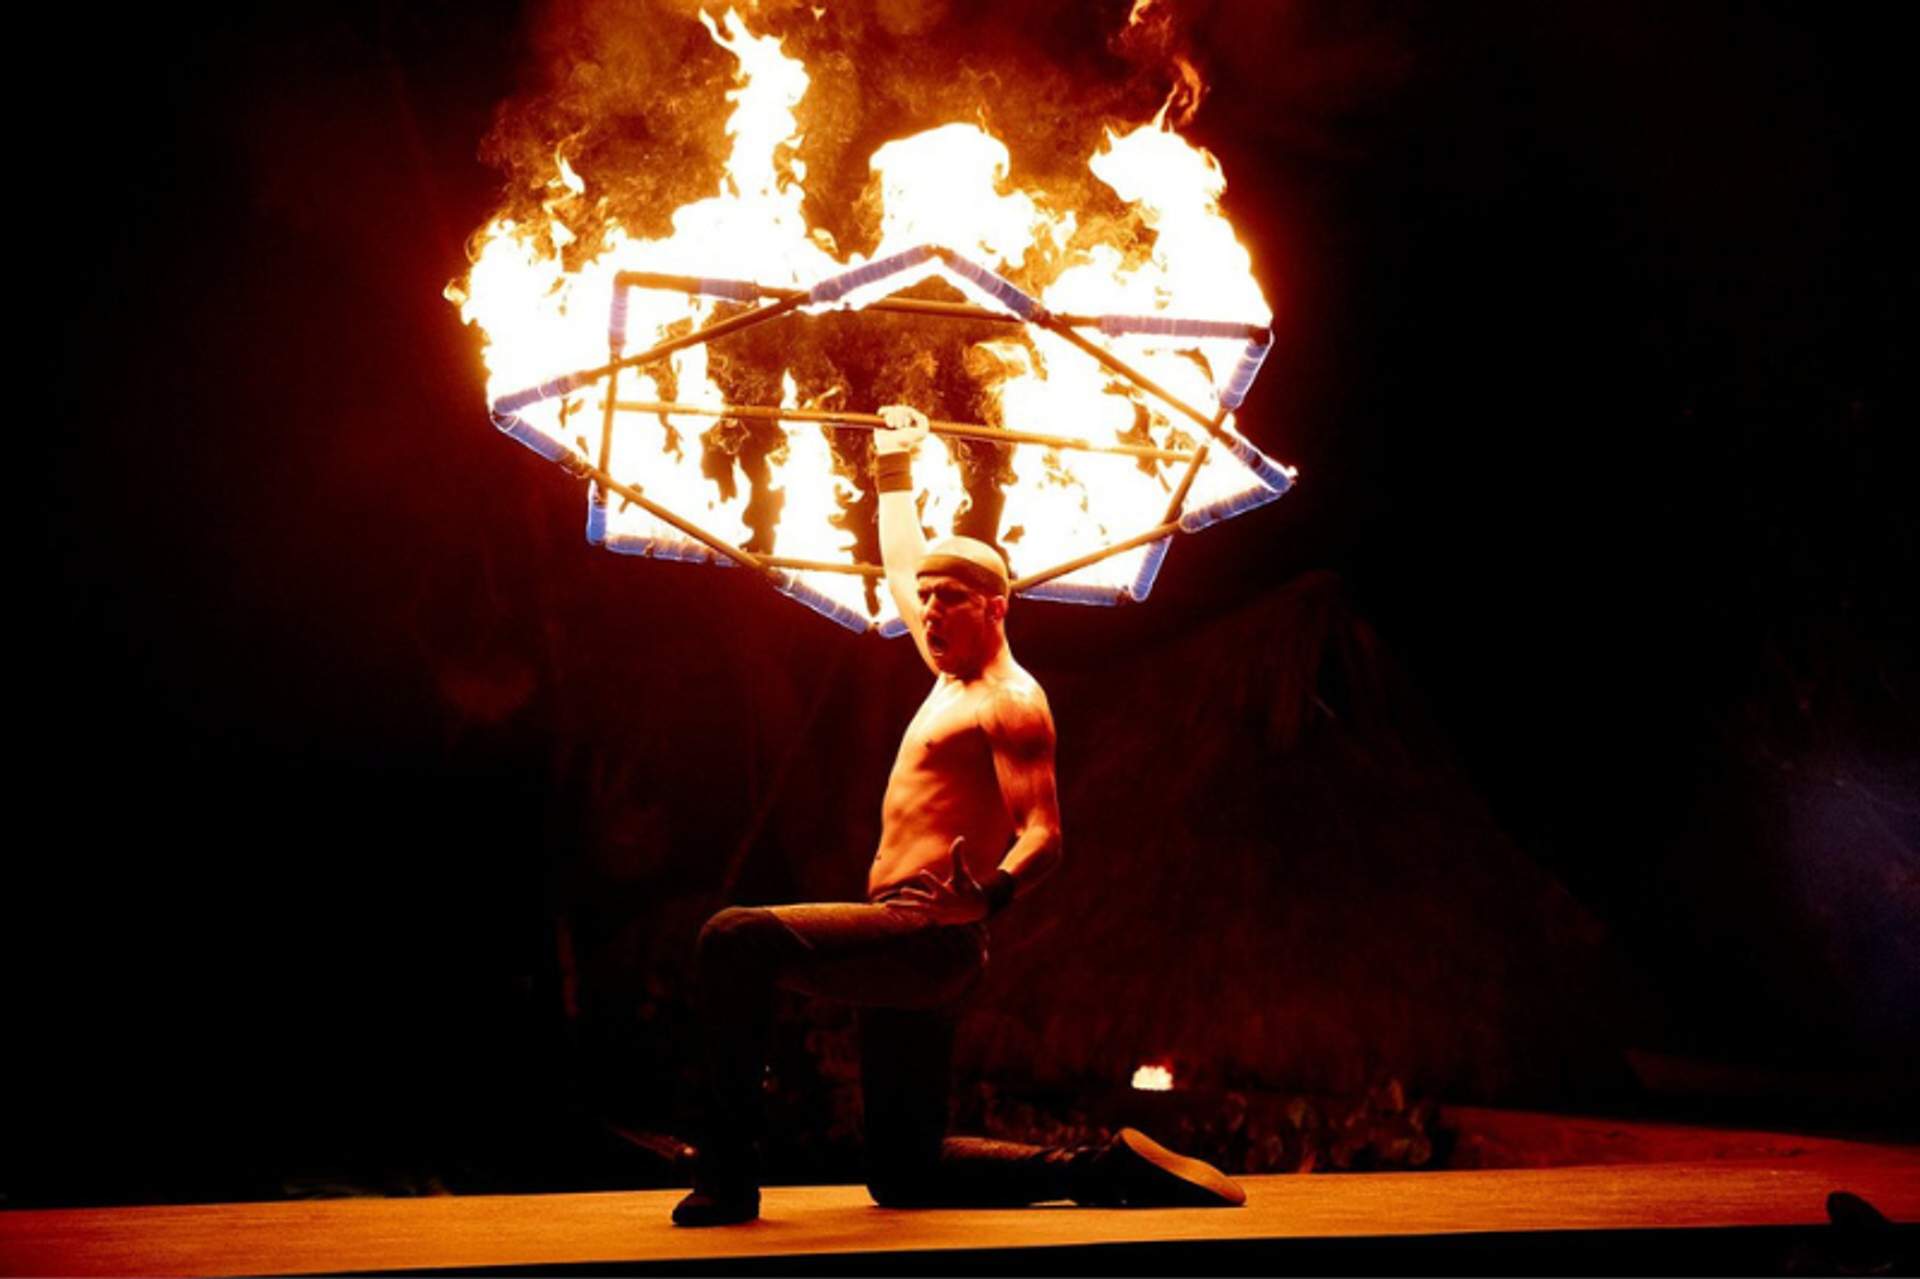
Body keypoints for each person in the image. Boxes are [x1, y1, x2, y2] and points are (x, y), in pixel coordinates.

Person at [672, 404, 1245, 1226]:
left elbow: (1045, 831)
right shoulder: (946, 676)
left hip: (933, 931)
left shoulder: (1011, 702)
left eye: (949, 600)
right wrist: (894, 466)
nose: (928, 611)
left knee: (734, 937)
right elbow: (902, 560)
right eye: (927, 601)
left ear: (996, 605)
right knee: (904, 1172)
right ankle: (1109, 1168)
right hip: (904, 929)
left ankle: (728, 1178)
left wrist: (990, 897)